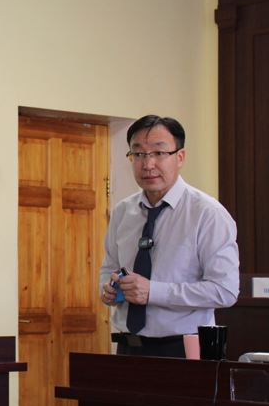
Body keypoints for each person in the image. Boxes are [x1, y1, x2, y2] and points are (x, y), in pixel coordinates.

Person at [100, 115, 239, 357]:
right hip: (128, 347)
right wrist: (108, 289)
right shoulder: (123, 212)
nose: (148, 164)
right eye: (138, 154)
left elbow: (224, 290)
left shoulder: (207, 214)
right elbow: (109, 267)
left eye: (158, 153)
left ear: (180, 157)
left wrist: (153, 292)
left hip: (183, 348)